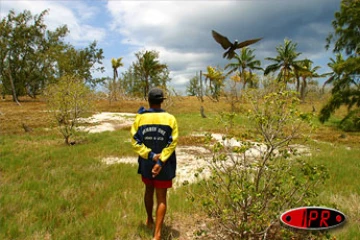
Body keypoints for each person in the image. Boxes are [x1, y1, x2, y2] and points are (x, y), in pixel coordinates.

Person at [130, 87, 178, 240]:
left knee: (148, 190)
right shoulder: (170, 119)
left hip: (146, 163)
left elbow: (135, 142)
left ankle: (149, 220)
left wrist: (151, 156)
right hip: (164, 164)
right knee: (161, 197)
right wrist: (161, 160)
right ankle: (157, 235)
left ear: (149, 101)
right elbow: (172, 143)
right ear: (162, 101)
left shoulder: (140, 119)